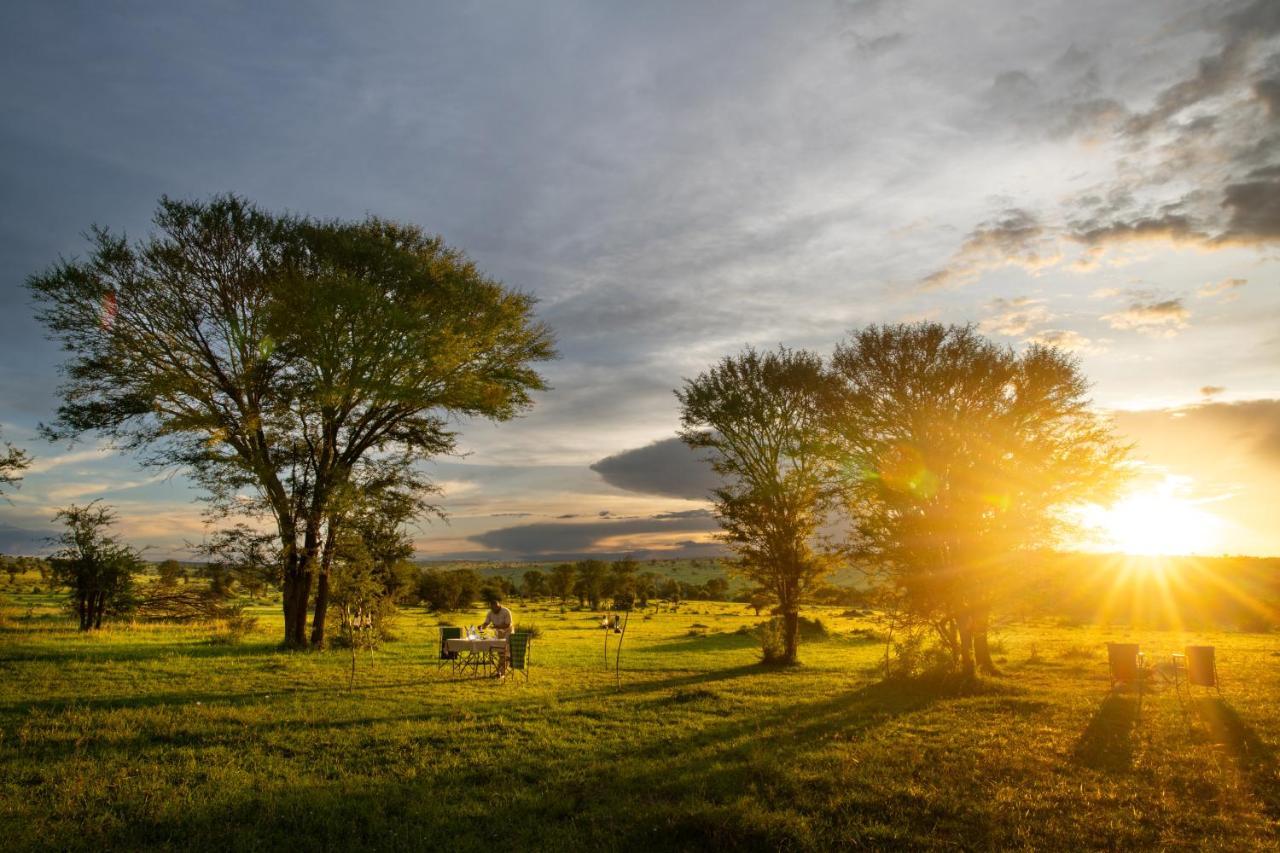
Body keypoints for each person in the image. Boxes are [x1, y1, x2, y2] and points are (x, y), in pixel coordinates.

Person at [480, 598, 514, 676]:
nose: (493, 610)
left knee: (505, 652)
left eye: (494, 608)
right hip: (498, 634)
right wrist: (482, 626)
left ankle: (501, 672)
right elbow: (486, 622)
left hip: (508, 633)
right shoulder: (490, 612)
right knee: (500, 653)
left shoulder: (506, 611)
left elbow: (507, 624)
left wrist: (496, 626)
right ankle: (500, 671)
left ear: (498, 606)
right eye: (491, 608)